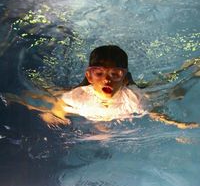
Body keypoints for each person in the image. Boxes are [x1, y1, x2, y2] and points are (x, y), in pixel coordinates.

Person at [6, 45, 200, 128]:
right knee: (53, 92)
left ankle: (192, 67)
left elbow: (156, 112)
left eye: (115, 74)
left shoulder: (135, 99)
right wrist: (54, 115)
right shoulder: (77, 97)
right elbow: (59, 106)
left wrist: (177, 124)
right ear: (89, 76)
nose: (107, 80)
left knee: (172, 92)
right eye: (99, 73)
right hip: (91, 104)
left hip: (126, 99)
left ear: (124, 79)